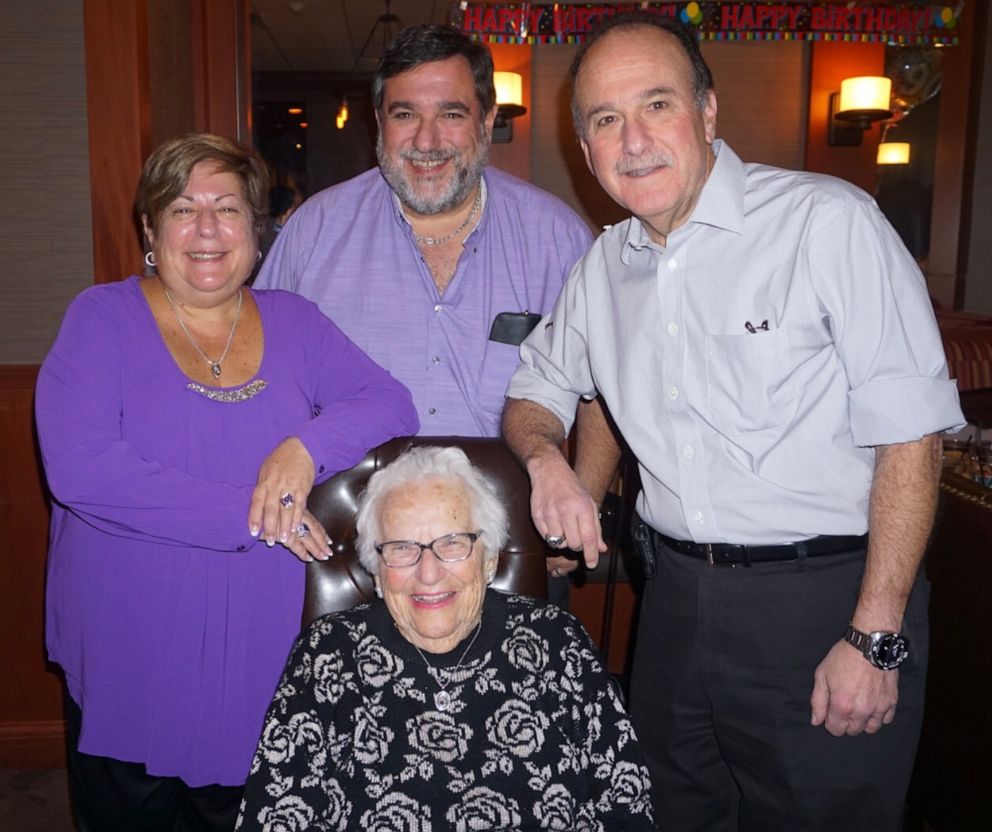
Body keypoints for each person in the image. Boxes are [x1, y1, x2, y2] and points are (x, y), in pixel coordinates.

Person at [502, 13, 964, 832]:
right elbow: (534, 392)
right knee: (673, 813)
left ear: (708, 113)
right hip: (675, 600)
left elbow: (912, 437)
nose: (633, 139)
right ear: (584, 146)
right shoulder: (604, 264)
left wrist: (875, 636)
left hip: (826, 601)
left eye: (657, 105)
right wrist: (548, 462)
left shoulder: (828, 222)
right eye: (605, 120)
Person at [35, 133, 418, 831]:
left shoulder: (295, 322)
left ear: (257, 229)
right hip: (133, 643)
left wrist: (304, 447)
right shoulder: (101, 319)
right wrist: (250, 508)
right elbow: (81, 468)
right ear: (149, 230)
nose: (208, 229)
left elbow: (391, 400)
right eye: (183, 209)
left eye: (229, 208)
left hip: (261, 647)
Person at [235, 446, 655, 831]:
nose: (429, 572)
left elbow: (626, 804)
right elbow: (274, 816)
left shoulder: (558, 644)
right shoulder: (326, 654)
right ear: (377, 571)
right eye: (402, 548)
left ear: (489, 558)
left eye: (452, 543)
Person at [254, 23, 595, 440]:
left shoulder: (557, 239)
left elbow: (602, 396)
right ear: (379, 122)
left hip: (508, 499)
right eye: (405, 114)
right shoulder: (313, 233)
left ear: (487, 121)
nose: (426, 140)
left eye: (451, 114)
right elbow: (259, 379)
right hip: (346, 499)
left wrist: (587, 497)